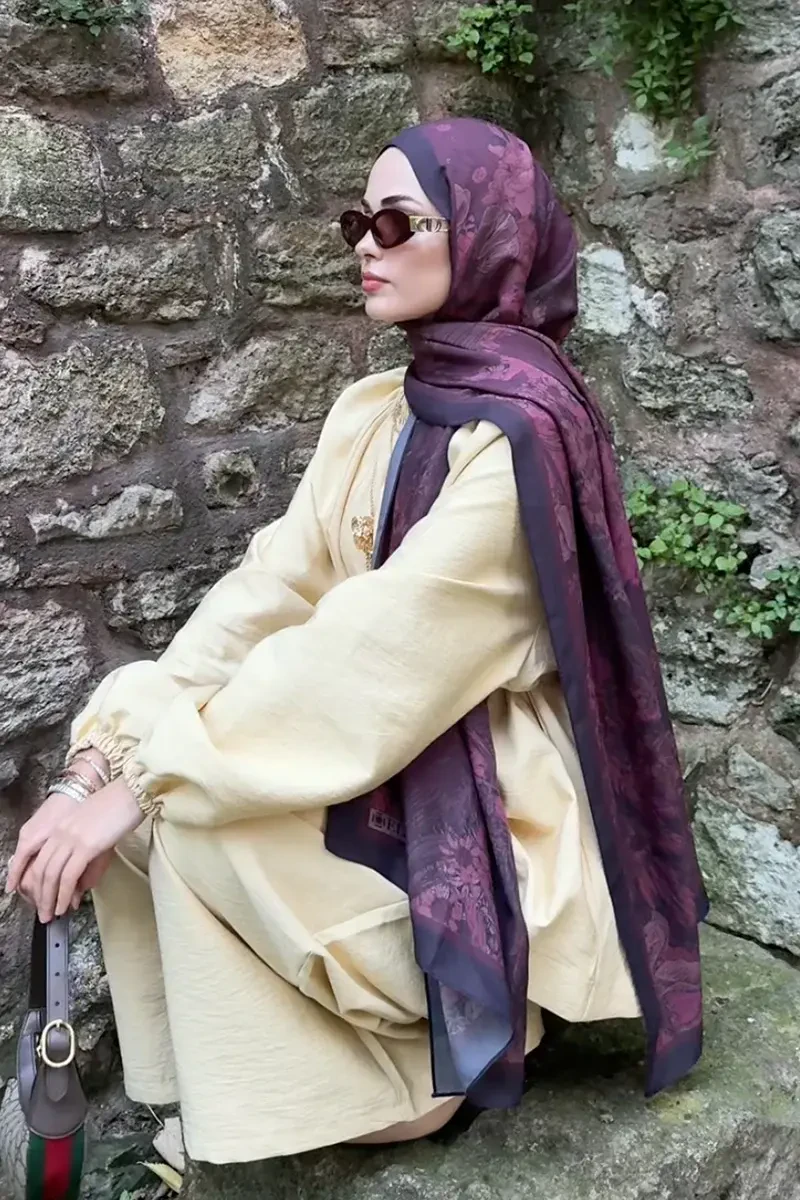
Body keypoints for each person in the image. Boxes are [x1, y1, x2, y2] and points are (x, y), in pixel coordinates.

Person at [6, 119, 708, 1164]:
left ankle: (436, 1048)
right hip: (369, 745)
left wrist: (147, 783)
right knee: (153, 761)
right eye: (356, 222)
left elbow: (372, 656)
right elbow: (272, 592)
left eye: (397, 223)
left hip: (486, 799)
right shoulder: (377, 408)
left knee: (189, 816)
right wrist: (102, 762)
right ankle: (288, 1074)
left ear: (488, 235)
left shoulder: (521, 437)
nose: (365, 248)